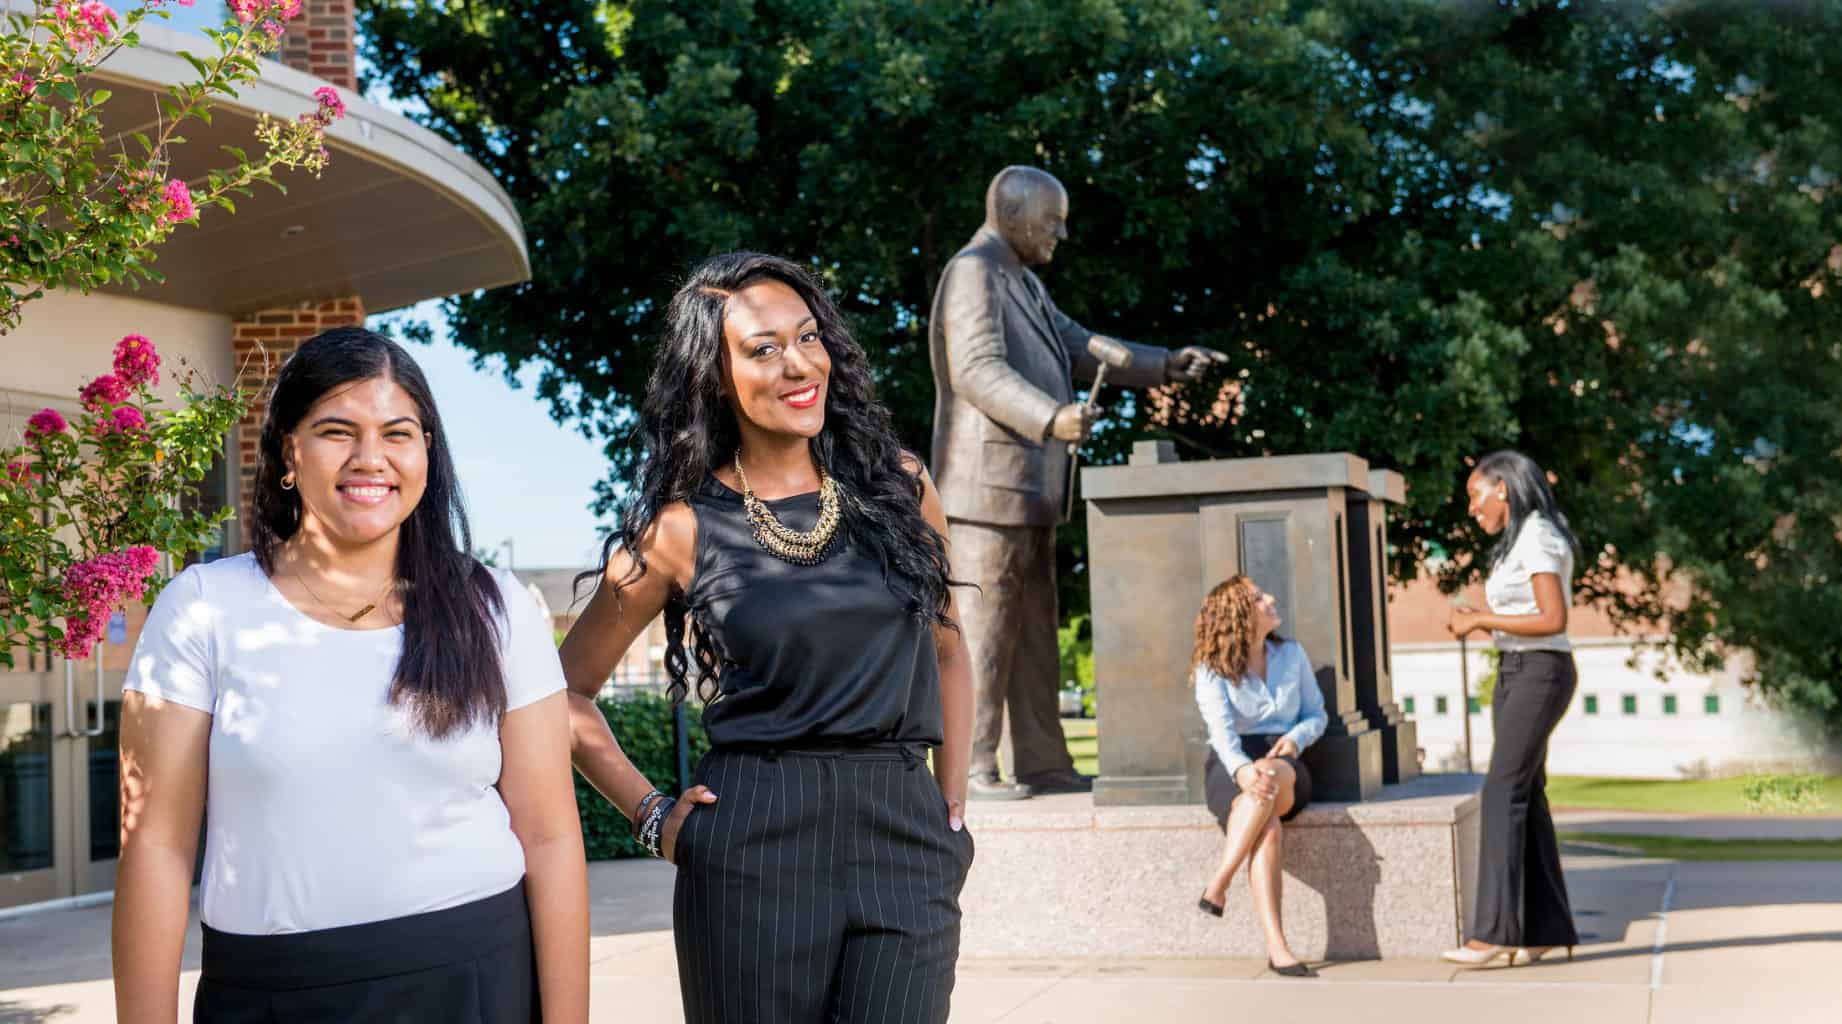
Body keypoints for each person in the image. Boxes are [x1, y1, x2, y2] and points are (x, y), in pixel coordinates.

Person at [113, 329, 588, 1022]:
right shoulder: (203, 608)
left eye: (398, 433)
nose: (371, 458)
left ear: (427, 450)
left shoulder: (497, 607)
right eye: (337, 430)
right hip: (273, 995)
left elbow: (550, 837)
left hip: (478, 981)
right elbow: (156, 846)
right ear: (287, 450)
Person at [560, 252, 976, 1023]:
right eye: (763, 348)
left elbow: (948, 647)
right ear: (715, 376)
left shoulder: (902, 488)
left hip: (903, 831)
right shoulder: (679, 529)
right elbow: (561, 696)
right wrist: (651, 814)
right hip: (754, 836)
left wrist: (949, 800)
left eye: (808, 337)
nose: (798, 364)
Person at [929, 164, 1226, 800]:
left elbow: (1085, 346)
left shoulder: (1024, 283)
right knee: (982, 628)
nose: (1062, 233)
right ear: (1012, 214)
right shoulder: (973, 271)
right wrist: (1053, 417)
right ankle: (971, 767)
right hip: (985, 489)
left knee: (1034, 629)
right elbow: (975, 370)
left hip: (1028, 490)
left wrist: (1165, 366)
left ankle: (1041, 759)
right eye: (1053, 220)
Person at [1442, 449, 1581, 968]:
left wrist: (1480, 618)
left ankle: (1494, 934)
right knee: (1527, 794)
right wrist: (1485, 620)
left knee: (1502, 791)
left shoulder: (1540, 534)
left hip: (1541, 670)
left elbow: (1553, 618)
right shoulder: (1519, 540)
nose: (1472, 509)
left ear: (1502, 487)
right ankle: (1547, 929)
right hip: (1515, 671)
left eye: (1476, 496)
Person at [1191, 576, 1325, 978]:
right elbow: (1221, 734)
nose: (1272, 599)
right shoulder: (1211, 668)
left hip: (1283, 759)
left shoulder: (1292, 654)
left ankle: (1219, 882)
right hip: (1232, 761)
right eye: (1259, 598)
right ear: (1239, 614)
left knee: (1268, 777)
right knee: (1265, 826)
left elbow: (1316, 715)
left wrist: (1296, 739)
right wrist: (1242, 770)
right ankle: (1278, 947)